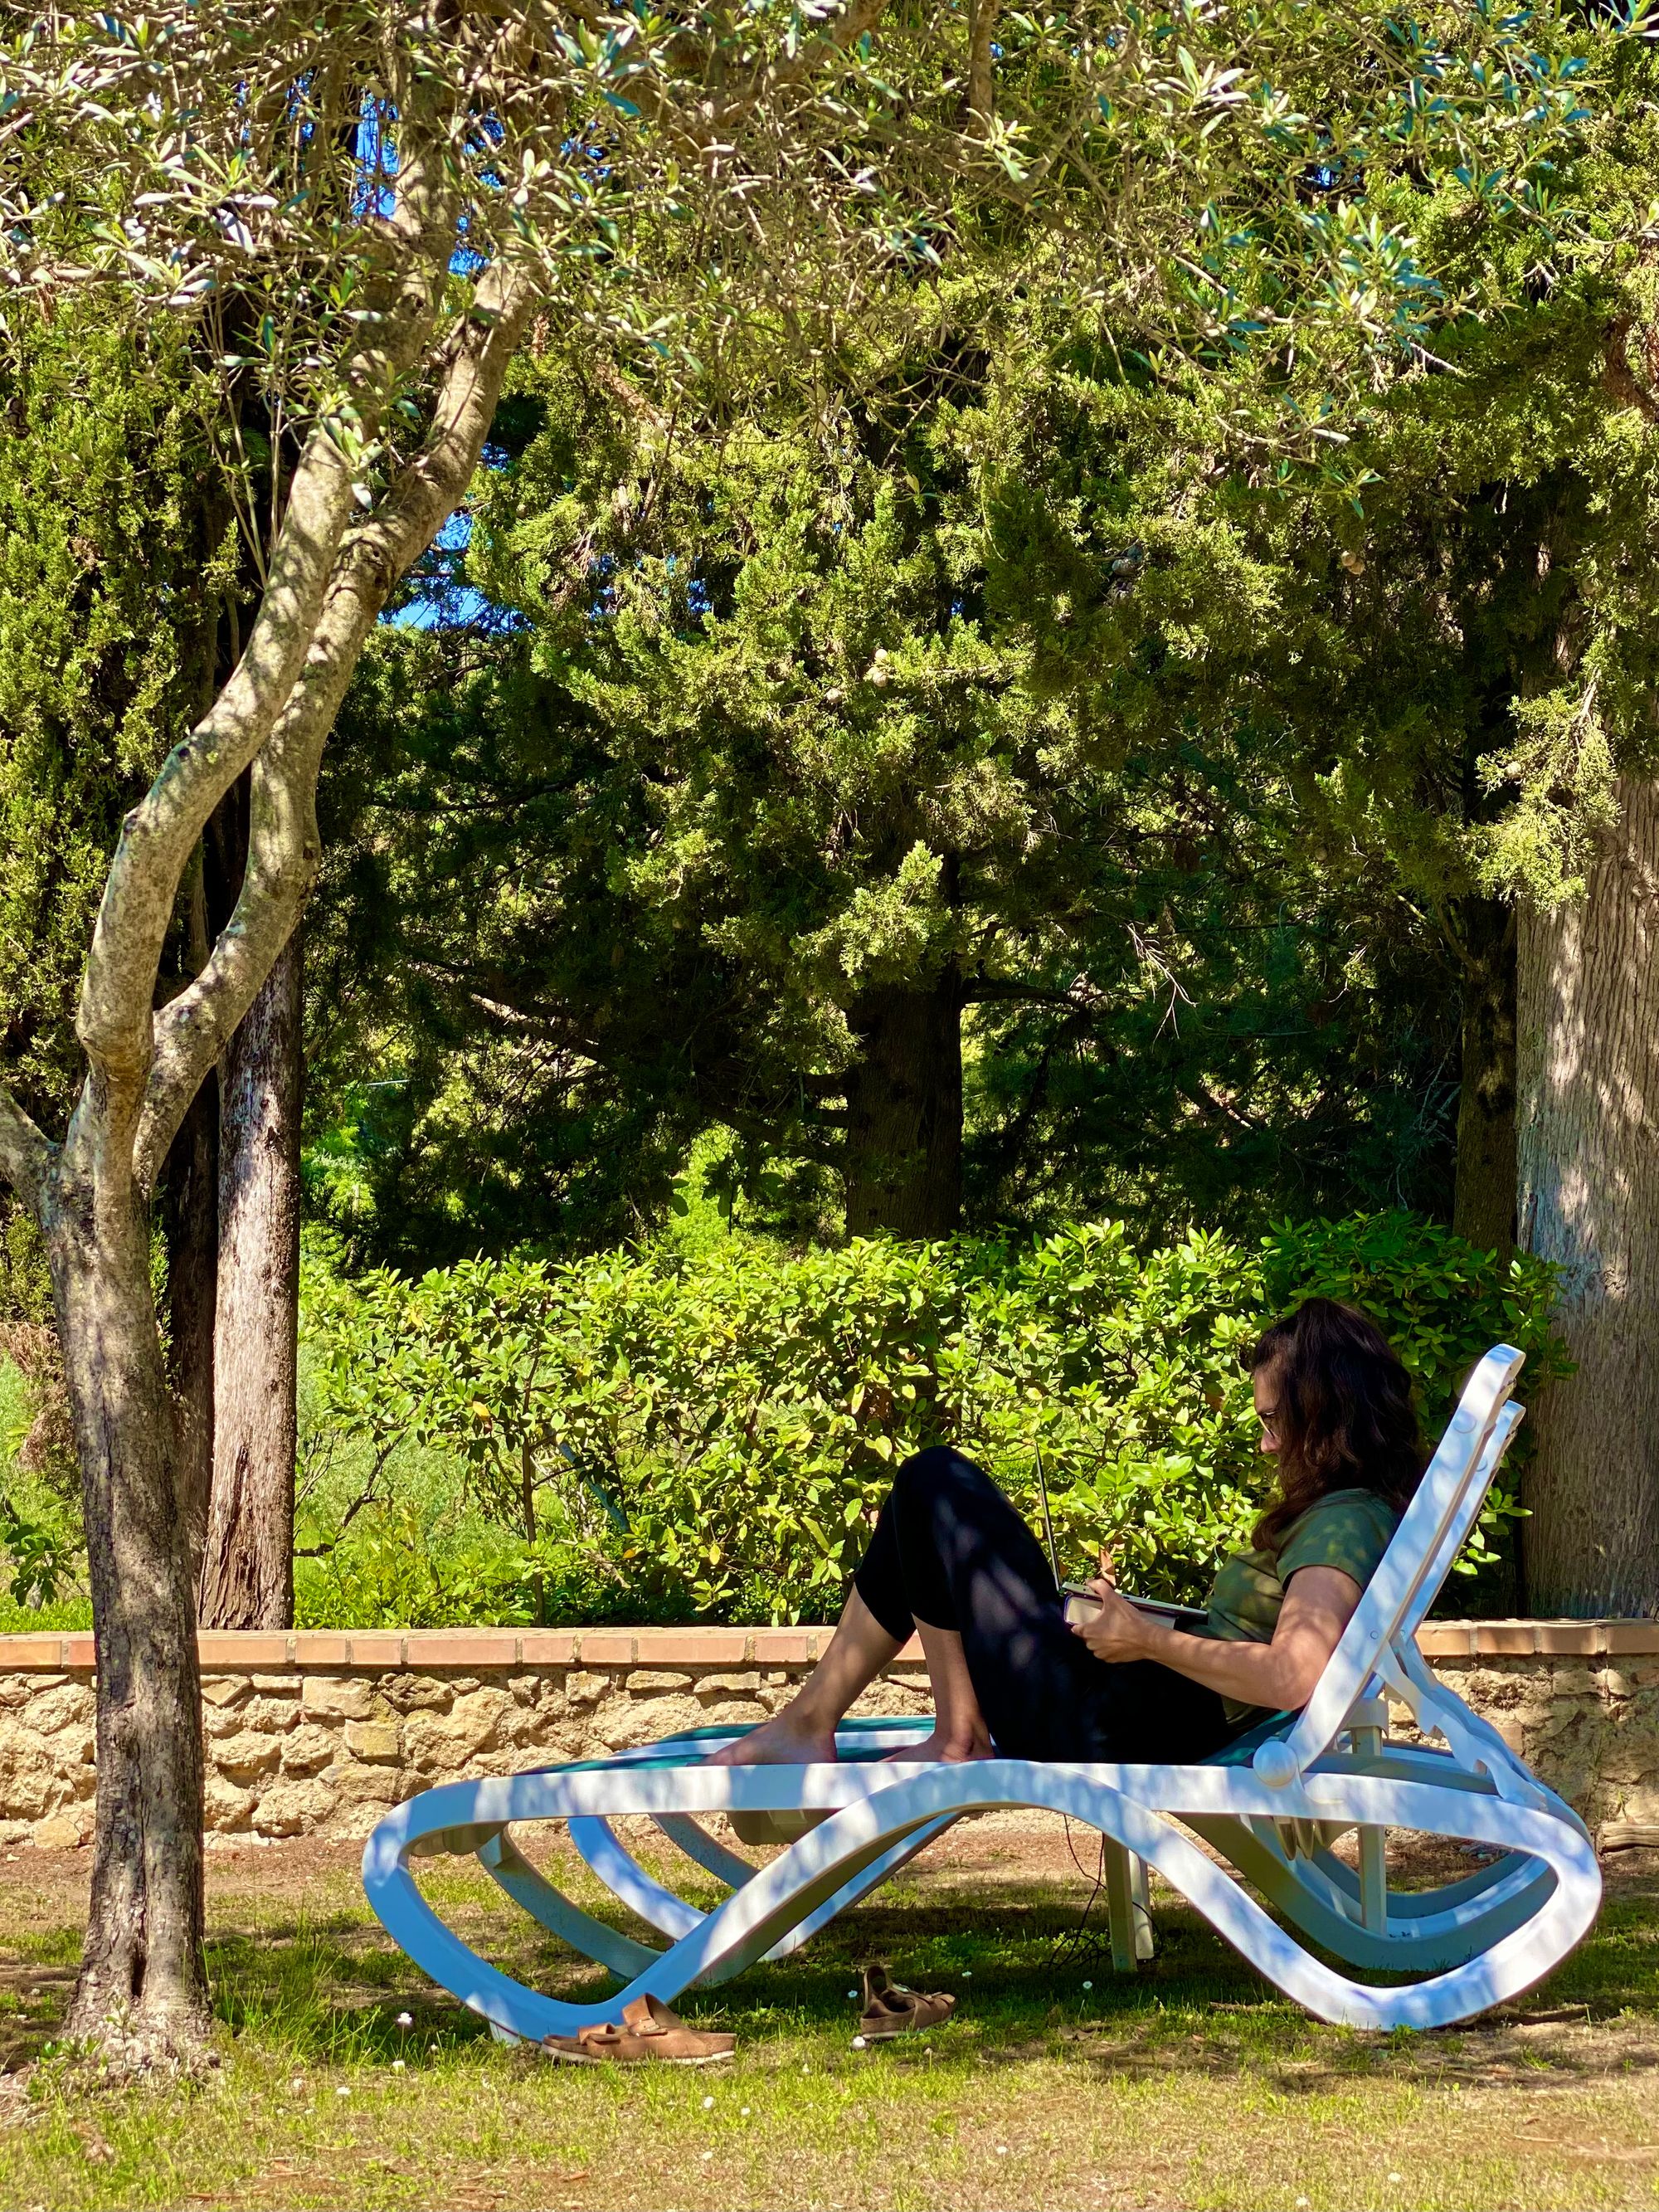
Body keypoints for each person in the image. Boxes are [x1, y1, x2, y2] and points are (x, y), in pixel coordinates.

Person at [710, 1297, 1425, 1772]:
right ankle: (896, 1729)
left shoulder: (1344, 1523)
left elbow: (1295, 1675)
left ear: (1324, 1413)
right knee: (927, 1505)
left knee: (934, 1482)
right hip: (1132, 1706)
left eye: (1274, 1421)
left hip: (1118, 1722)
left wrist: (1149, 1641)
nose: (1268, 1445)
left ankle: (936, 1736)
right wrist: (1140, 1627)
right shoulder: (1347, 1513)